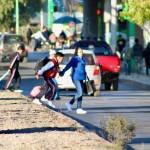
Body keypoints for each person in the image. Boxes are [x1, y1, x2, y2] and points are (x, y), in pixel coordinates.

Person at [59, 47, 87, 114]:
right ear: (76, 52)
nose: (81, 53)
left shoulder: (83, 59)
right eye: (79, 52)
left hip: (82, 77)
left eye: (81, 51)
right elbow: (68, 65)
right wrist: (63, 72)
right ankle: (69, 103)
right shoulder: (75, 59)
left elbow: (82, 68)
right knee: (80, 92)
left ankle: (79, 108)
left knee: (81, 93)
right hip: (75, 77)